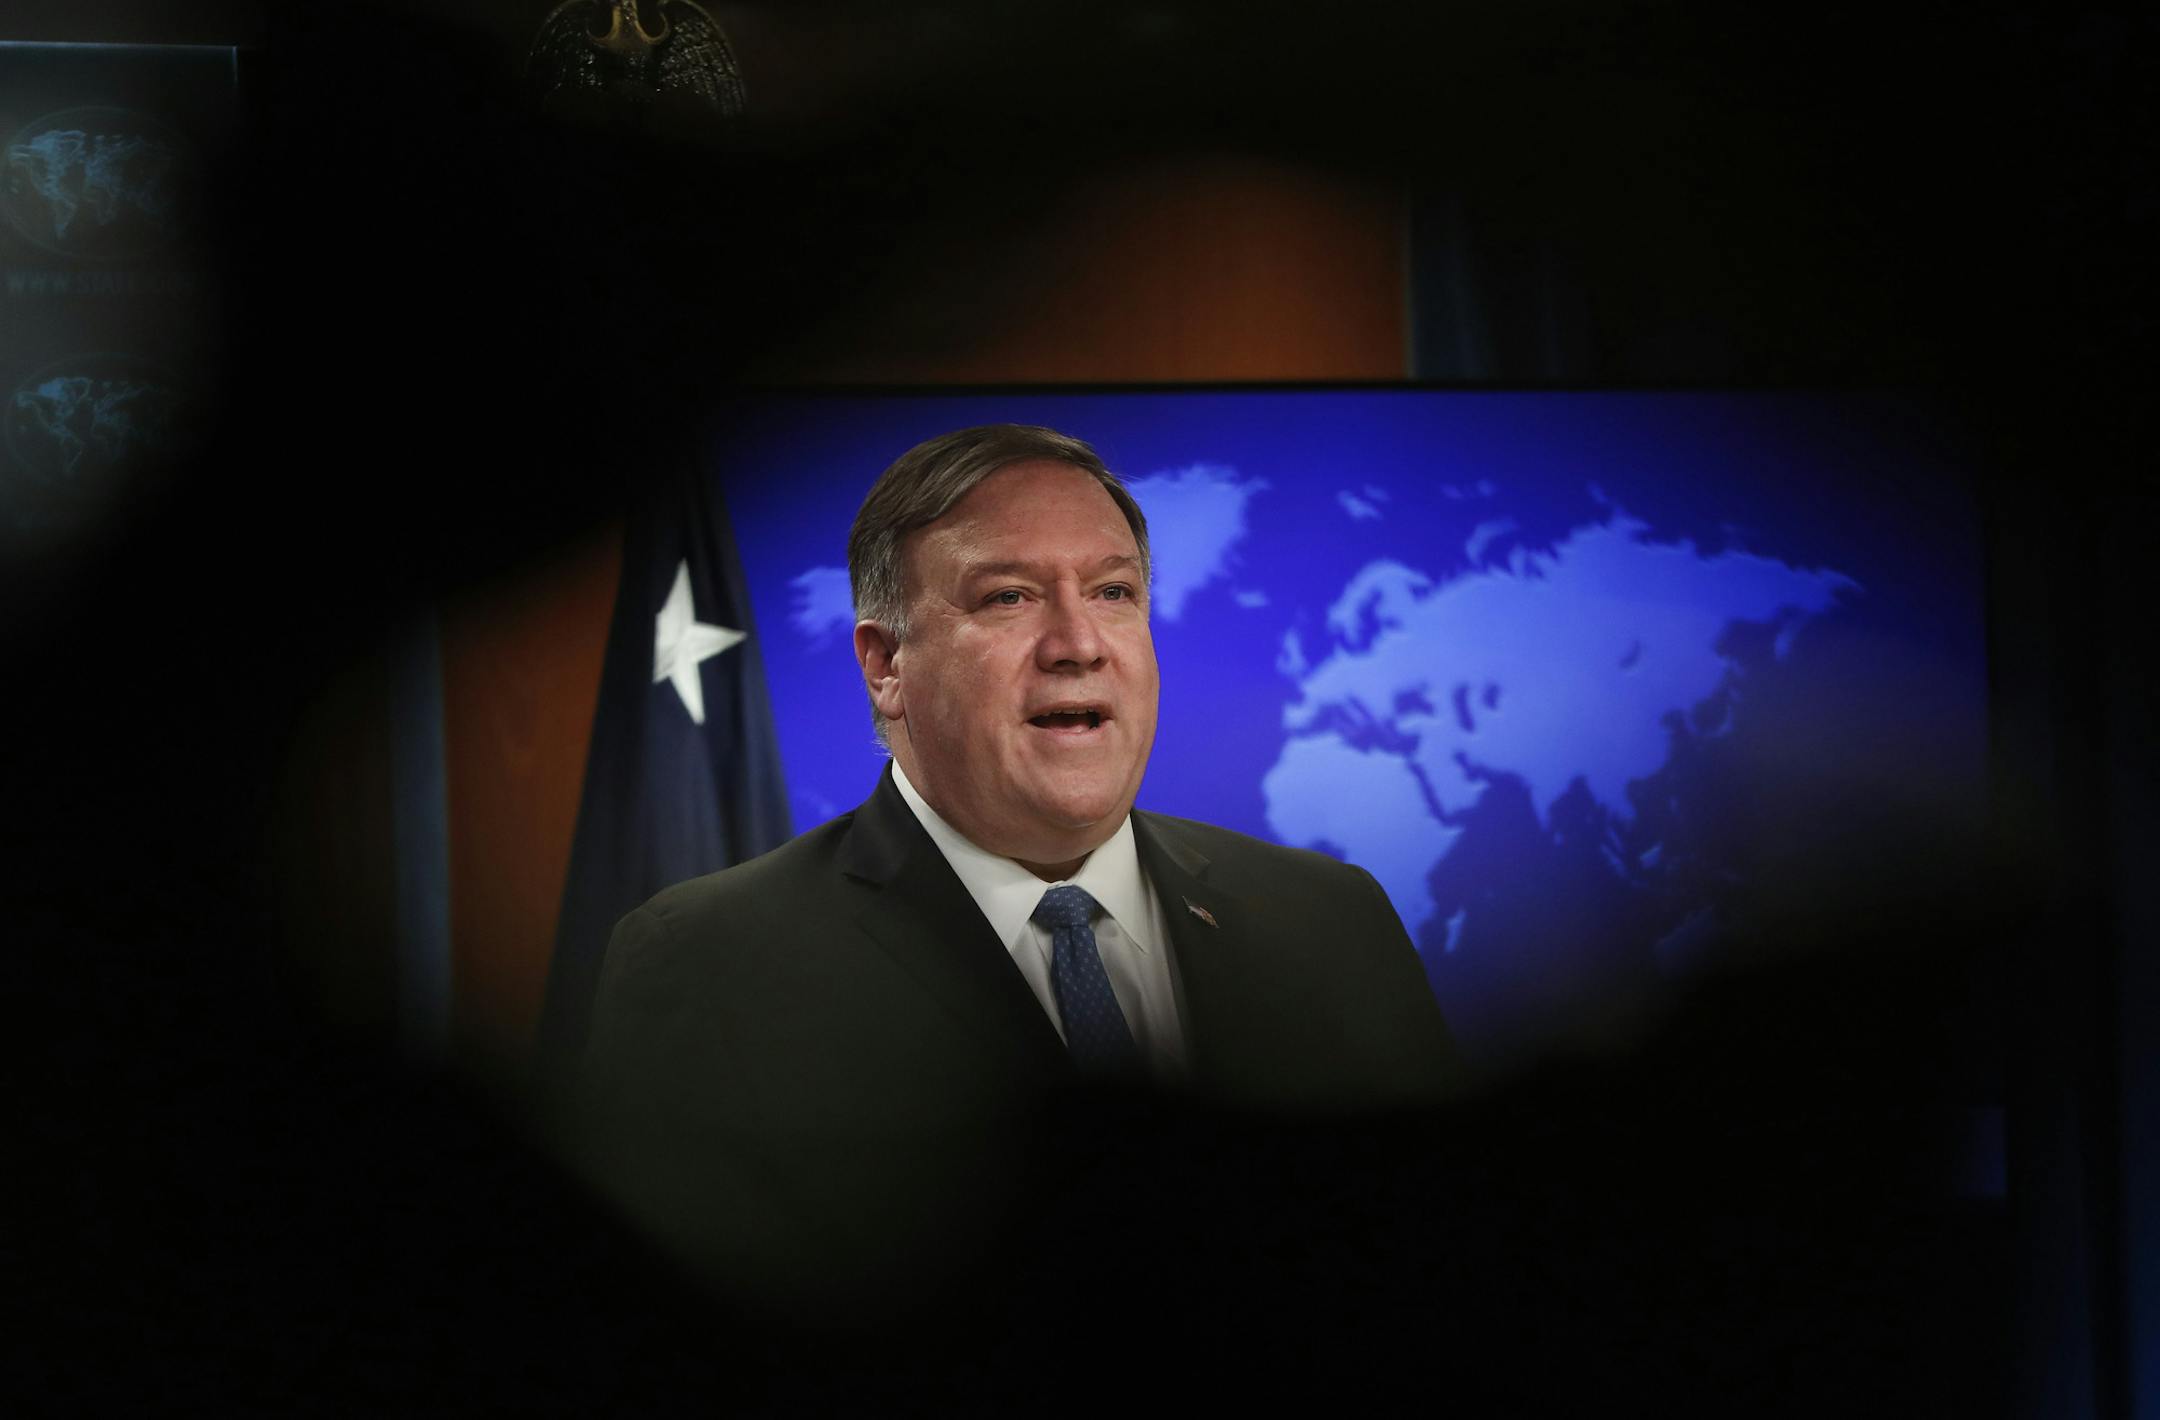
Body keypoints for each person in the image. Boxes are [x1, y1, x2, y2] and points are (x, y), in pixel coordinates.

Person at [568, 423, 1461, 1325]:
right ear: (886, 667)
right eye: (1007, 598)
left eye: (1114, 591)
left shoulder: (1331, 919)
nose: (1079, 642)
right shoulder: (707, 965)